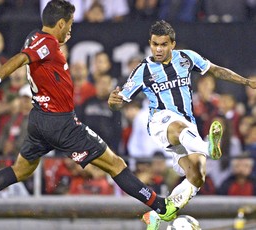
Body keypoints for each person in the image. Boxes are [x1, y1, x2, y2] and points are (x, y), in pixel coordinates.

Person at [0, 2, 191, 228]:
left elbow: (30, 54)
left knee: (20, 170)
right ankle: (161, 206)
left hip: (39, 119)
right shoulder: (46, 43)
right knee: (115, 164)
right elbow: (22, 58)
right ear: (59, 23)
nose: (70, 29)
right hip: (61, 123)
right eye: (69, 24)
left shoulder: (34, 37)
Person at [108, 20, 256, 228]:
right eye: (154, 44)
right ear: (150, 43)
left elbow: (215, 71)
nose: (158, 49)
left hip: (188, 124)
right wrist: (113, 102)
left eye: (163, 44)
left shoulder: (187, 58)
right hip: (162, 122)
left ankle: (160, 215)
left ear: (173, 44)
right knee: (178, 127)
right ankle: (209, 148)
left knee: (198, 174)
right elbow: (119, 102)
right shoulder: (143, 70)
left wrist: (246, 82)